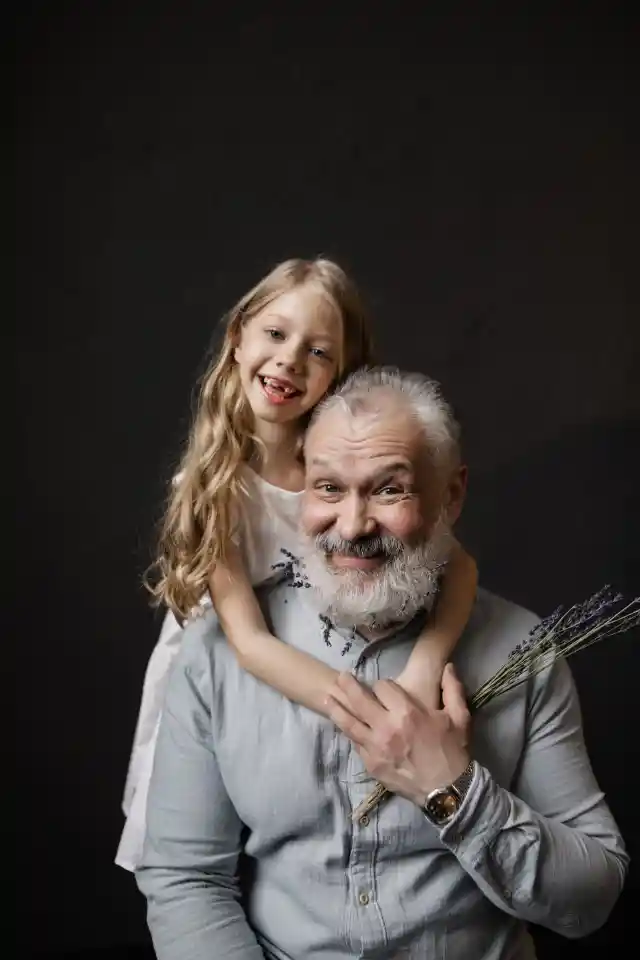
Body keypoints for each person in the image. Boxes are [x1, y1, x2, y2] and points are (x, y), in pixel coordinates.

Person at [135, 367, 628, 960]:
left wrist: (452, 791)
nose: (352, 526)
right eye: (328, 488)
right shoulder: (216, 653)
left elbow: (592, 897)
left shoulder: (524, 652)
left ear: (451, 495)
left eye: (389, 490)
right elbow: (186, 880)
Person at [117, 260, 477, 870]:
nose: (289, 362)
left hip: (319, 666)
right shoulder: (216, 487)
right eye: (276, 334)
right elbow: (250, 644)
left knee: (306, 860)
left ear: (341, 373)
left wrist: (420, 673)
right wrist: (367, 712)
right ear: (238, 338)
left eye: (318, 352)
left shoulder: (340, 465)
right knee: (205, 859)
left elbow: (461, 570)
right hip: (234, 679)